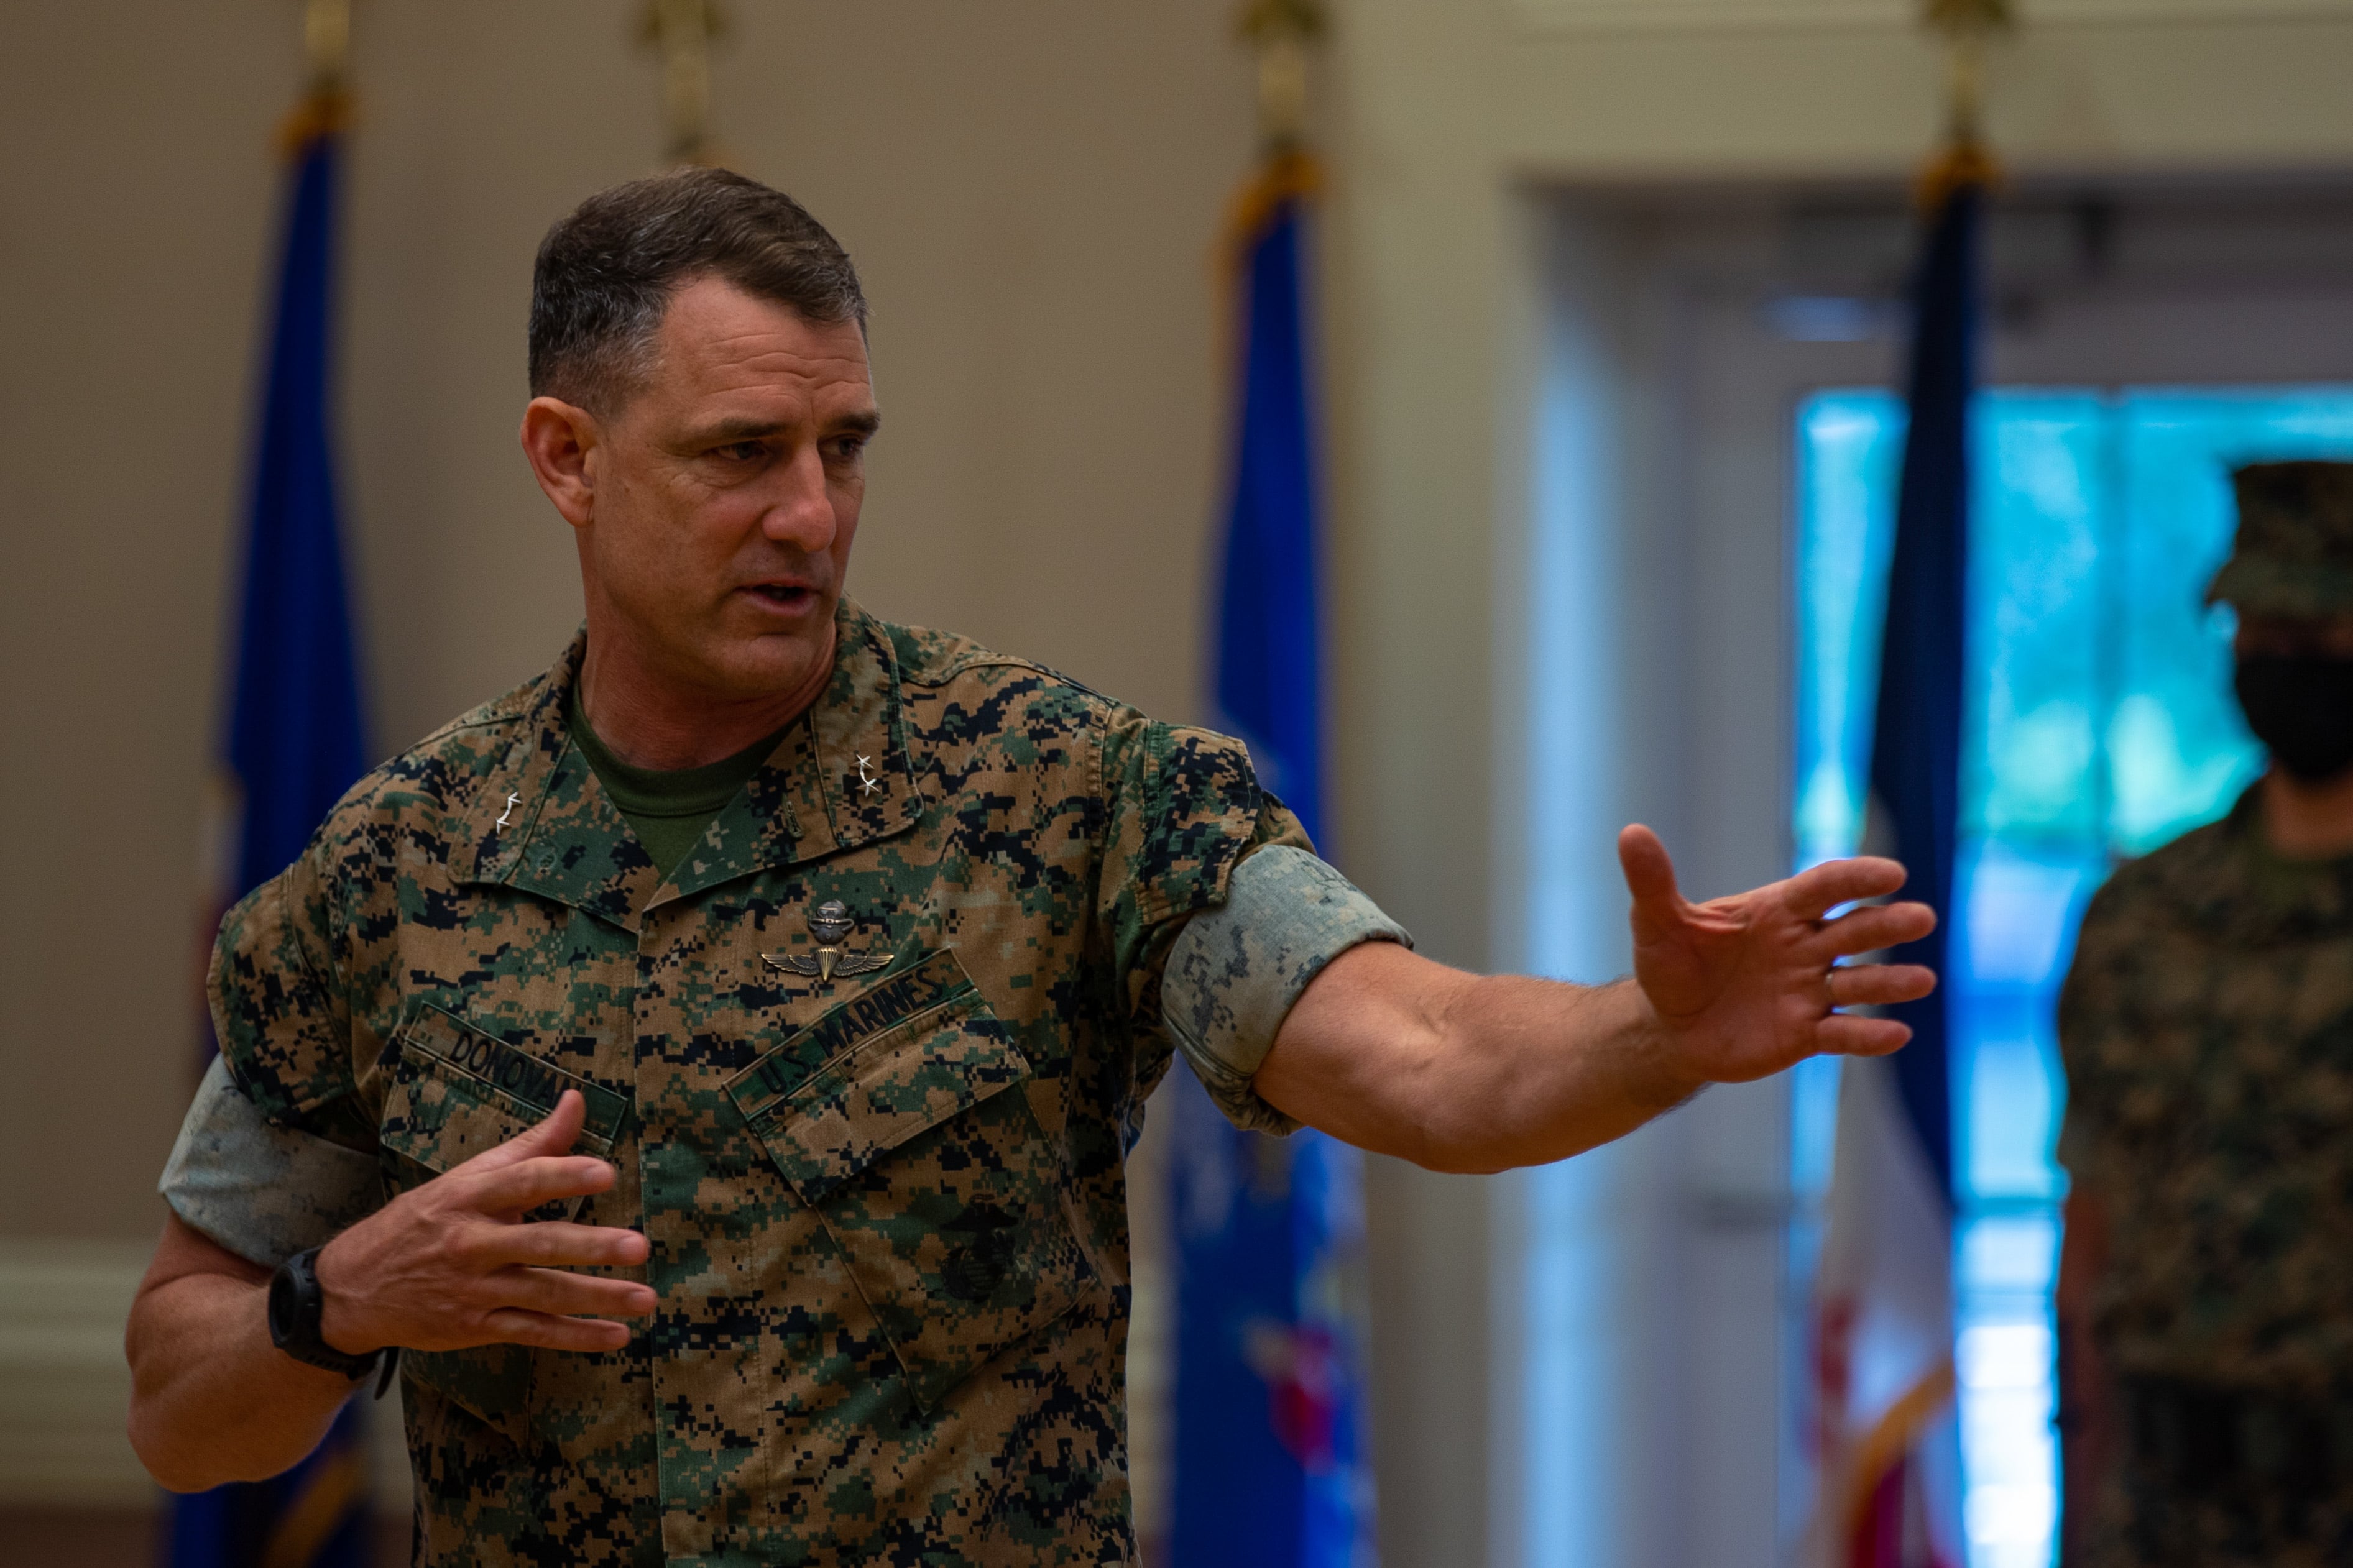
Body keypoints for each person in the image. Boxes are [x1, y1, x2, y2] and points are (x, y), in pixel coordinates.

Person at [126, 167, 1936, 1567]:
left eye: (843, 449)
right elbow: (177, 1405)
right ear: (567, 460)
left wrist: (1649, 1030)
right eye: (742, 454)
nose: (811, 514)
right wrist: (340, 1299)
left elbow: (1431, 1055)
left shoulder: (1068, 795)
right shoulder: (400, 870)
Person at [2057, 460, 2353, 1568]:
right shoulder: (2142, 919)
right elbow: (2090, 1225)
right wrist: (2076, 1500)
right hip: (2161, 1506)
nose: (2282, 658)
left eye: (2316, 632)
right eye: (2257, 629)